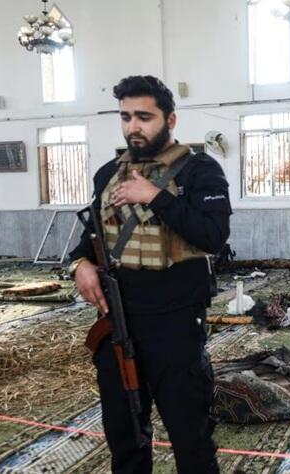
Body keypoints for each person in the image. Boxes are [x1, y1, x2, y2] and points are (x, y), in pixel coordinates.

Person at [68, 75, 231, 474]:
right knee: (125, 438)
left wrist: (155, 197)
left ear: (170, 120)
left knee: (191, 439)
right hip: (117, 323)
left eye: (144, 117)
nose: (133, 127)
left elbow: (213, 236)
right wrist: (79, 265)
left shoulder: (200, 171)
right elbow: (92, 238)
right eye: (126, 117)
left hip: (175, 326)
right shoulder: (108, 174)